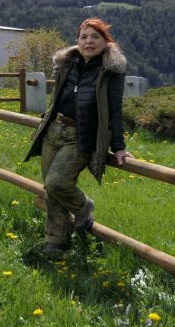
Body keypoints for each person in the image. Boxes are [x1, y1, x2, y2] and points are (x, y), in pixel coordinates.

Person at [24, 18, 130, 256]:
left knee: (57, 183)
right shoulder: (67, 63)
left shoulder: (110, 70)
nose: (89, 42)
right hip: (54, 130)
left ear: (105, 42)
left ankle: (84, 207)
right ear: (77, 41)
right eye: (84, 37)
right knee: (52, 190)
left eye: (95, 37)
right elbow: (57, 100)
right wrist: (43, 125)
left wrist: (119, 146)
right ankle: (55, 240)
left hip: (80, 136)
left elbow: (115, 110)